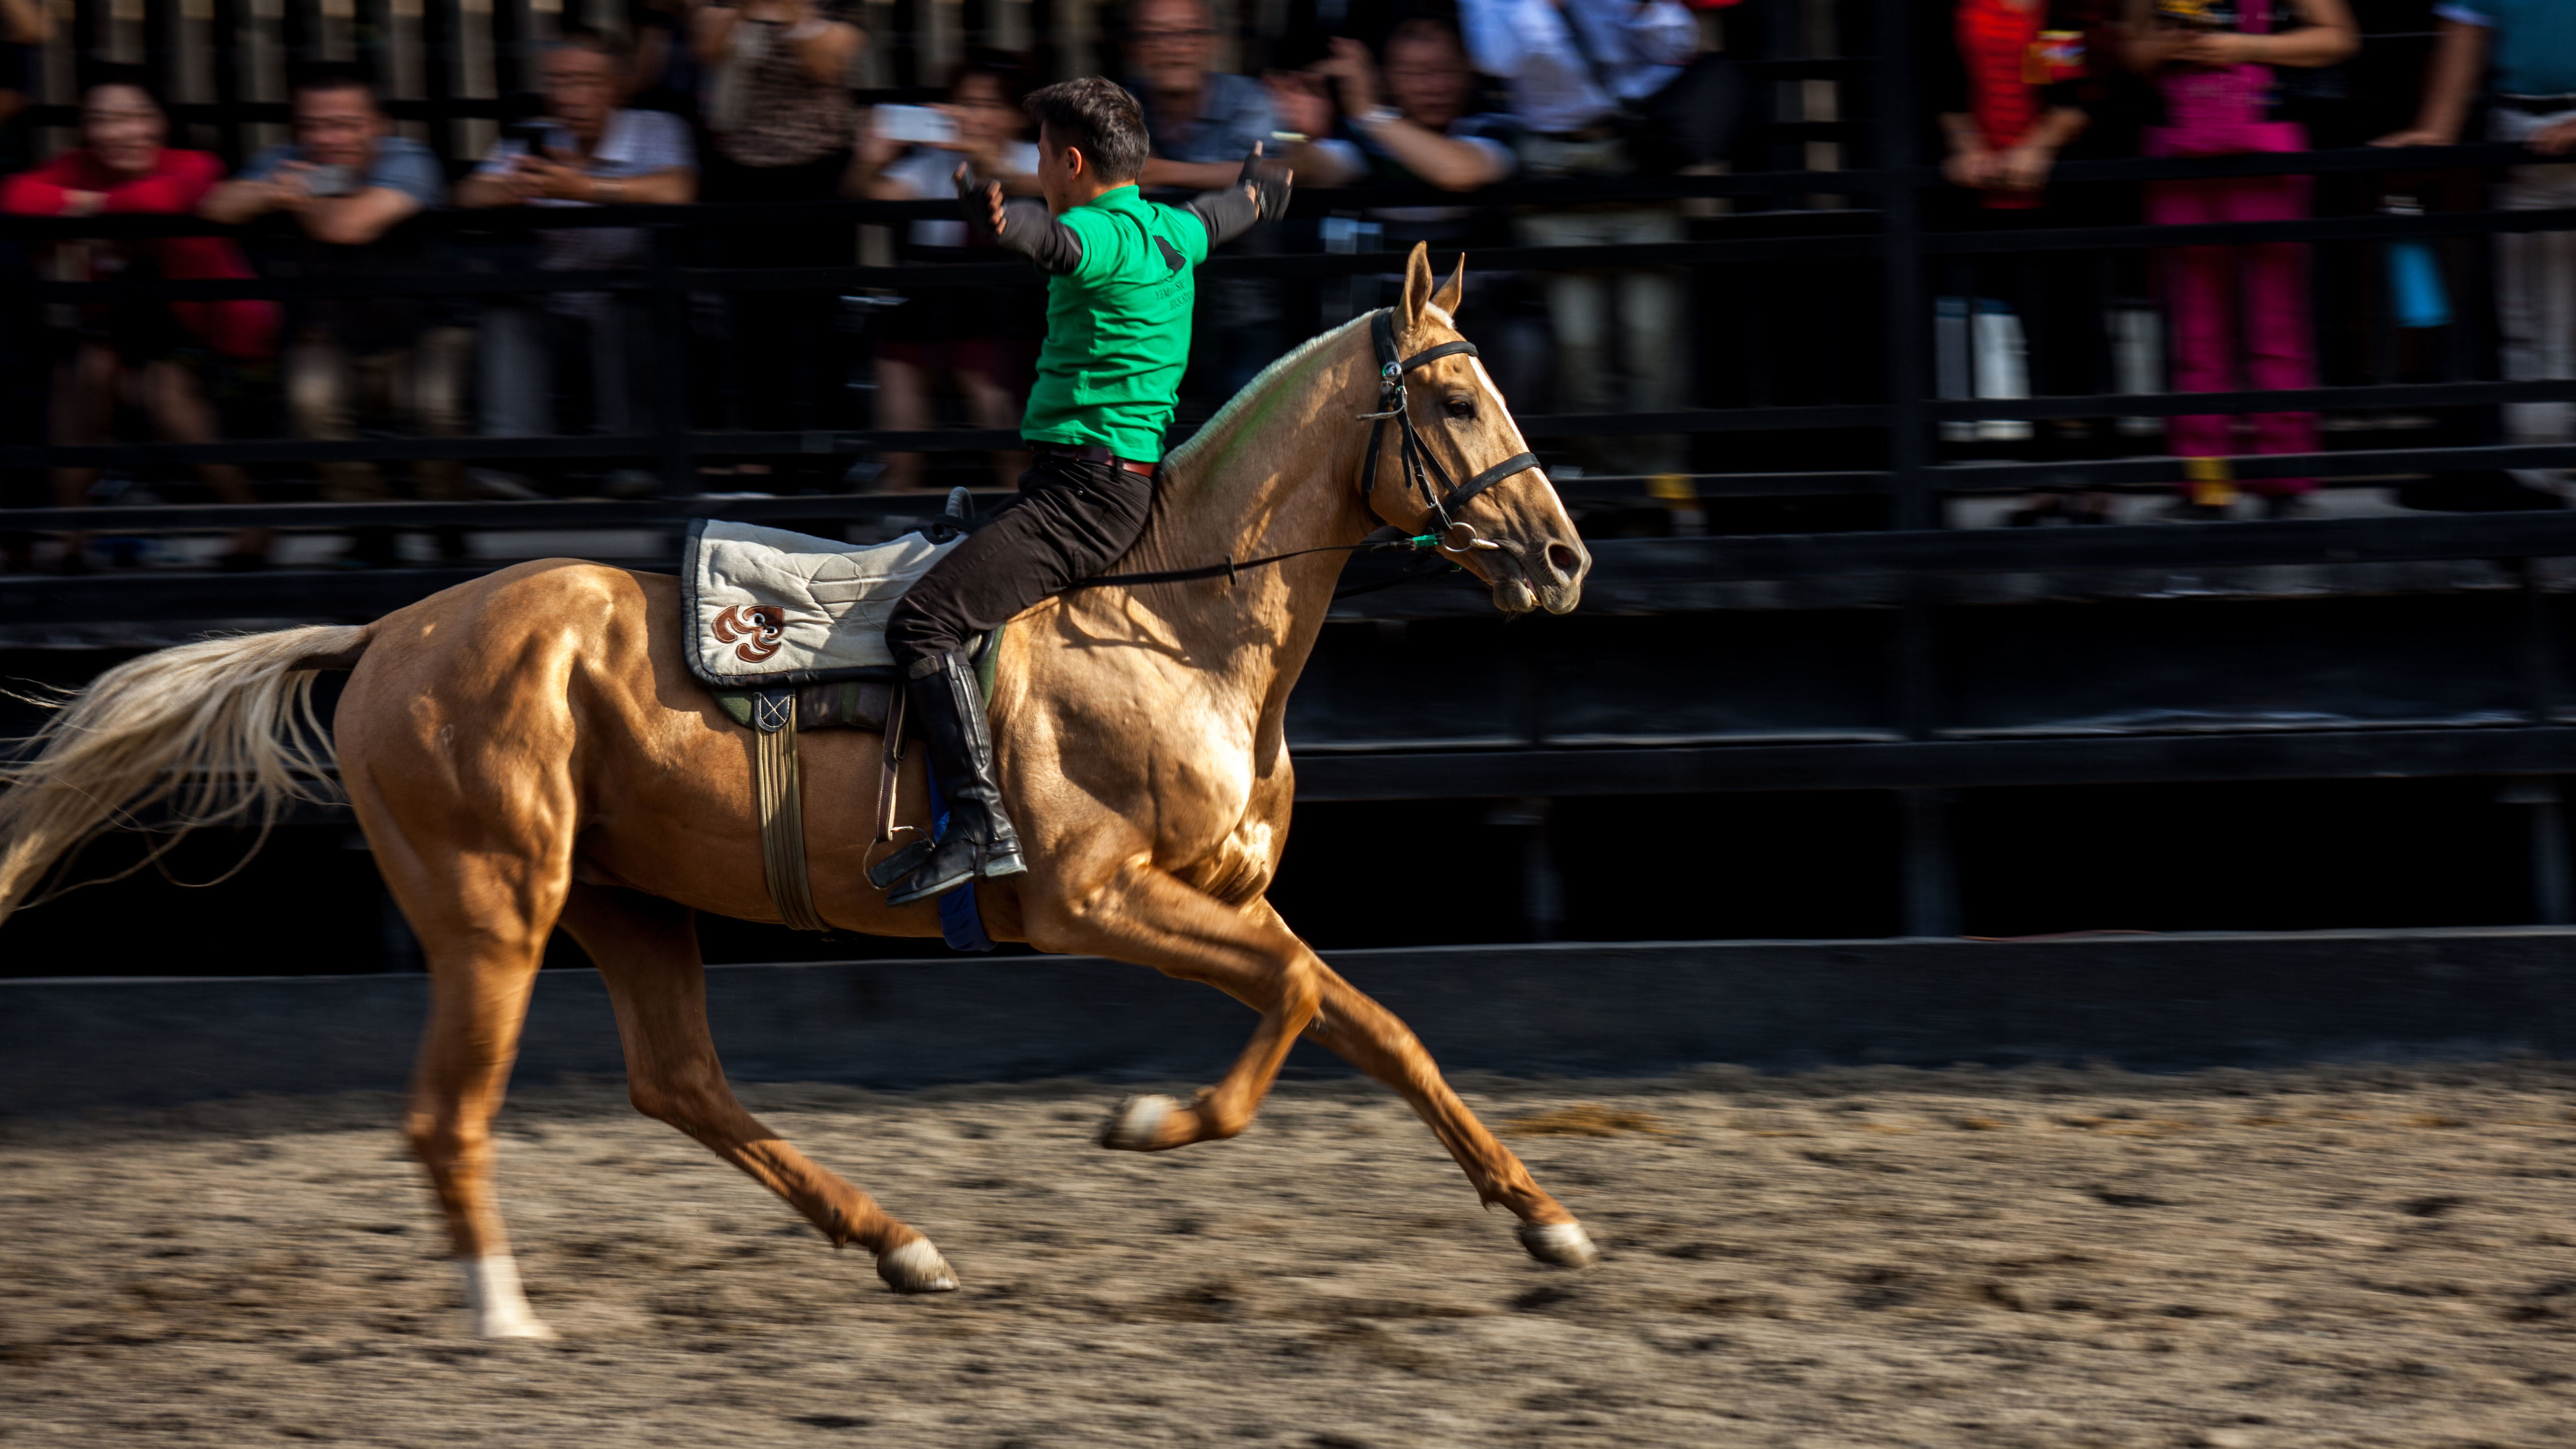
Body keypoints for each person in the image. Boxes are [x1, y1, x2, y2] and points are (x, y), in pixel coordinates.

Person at [875, 77, 1290, 906]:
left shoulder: (1094, 232)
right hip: (1106, 485)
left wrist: (1004, 224)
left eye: (1039, 154)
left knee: (920, 622)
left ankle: (977, 823)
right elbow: (1228, 214)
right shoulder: (1173, 227)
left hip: (1082, 495)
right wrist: (1259, 189)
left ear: (1069, 162)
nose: (1035, 166)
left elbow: (1057, 249)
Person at [3, 69, 278, 572]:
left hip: (208, 338)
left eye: (133, 117)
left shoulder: (194, 164)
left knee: (162, 391)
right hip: (119, 338)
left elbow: (161, 202)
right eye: (104, 120)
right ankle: (72, 538)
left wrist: (84, 210)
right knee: (85, 371)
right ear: (86, 129)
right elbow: (16, 197)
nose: (119, 132)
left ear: (161, 122)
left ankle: (251, 523)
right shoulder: (79, 168)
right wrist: (98, 204)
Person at [201, 64, 469, 561]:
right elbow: (217, 206)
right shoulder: (284, 161)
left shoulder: (411, 159)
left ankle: (445, 526)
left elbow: (351, 225)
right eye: (314, 125)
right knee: (311, 400)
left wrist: (297, 200)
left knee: (436, 407)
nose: (329, 137)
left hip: (425, 326)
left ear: (378, 124)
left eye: (346, 124)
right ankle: (372, 527)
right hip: (329, 329)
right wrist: (269, 192)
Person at [2125, 0, 2355, 521]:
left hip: (2265, 139)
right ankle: (2207, 486)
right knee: (2195, 328)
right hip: (2178, 140)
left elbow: (2339, 39)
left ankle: (2284, 480)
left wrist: (2244, 46)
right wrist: (2169, 45)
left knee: (2276, 321)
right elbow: (2133, 55)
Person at [1458, 0, 1698, 477]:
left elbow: (1678, 44)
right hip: (1555, 165)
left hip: (1636, 155)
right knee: (1578, 343)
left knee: (1653, 337)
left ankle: (1662, 487)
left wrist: (1645, 10)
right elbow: (1497, 60)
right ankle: (1609, 486)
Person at [457, 29, 697, 496]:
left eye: (585, 81)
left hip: (630, 300)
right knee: (509, 313)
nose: (569, 96)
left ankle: (631, 465)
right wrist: (511, 190)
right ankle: (511, 465)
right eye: (559, 81)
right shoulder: (535, 138)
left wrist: (585, 190)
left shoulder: (656, 129)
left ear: (617, 86)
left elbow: (678, 190)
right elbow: (466, 195)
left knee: (628, 302)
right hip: (555, 301)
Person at [2377, 1, 2576, 503]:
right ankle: (2541, 495)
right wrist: (2436, 133)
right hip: (2521, 132)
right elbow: (2465, 29)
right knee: (2529, 331)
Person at [847, 50, 1042, 492]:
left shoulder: (1036, 158)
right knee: (895, 357)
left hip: (1012, 311)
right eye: (967, 104)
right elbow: (870, 201)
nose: (975, 117)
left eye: (990, 106)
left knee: (990, 385)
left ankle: (1019, 510)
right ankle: (897, 511)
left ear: (1016, 116)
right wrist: (869, 159)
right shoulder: (933, 163)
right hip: (937, 308)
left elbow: (1026, 184)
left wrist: (984, 160)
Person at [695, 0, 866, 454]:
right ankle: (767, 456)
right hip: (741, 179)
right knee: (753, 325)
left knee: (821, 324)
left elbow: (825, 66)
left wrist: (792, 15)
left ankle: (829, 455)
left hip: (817, 177)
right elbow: (707, 49)